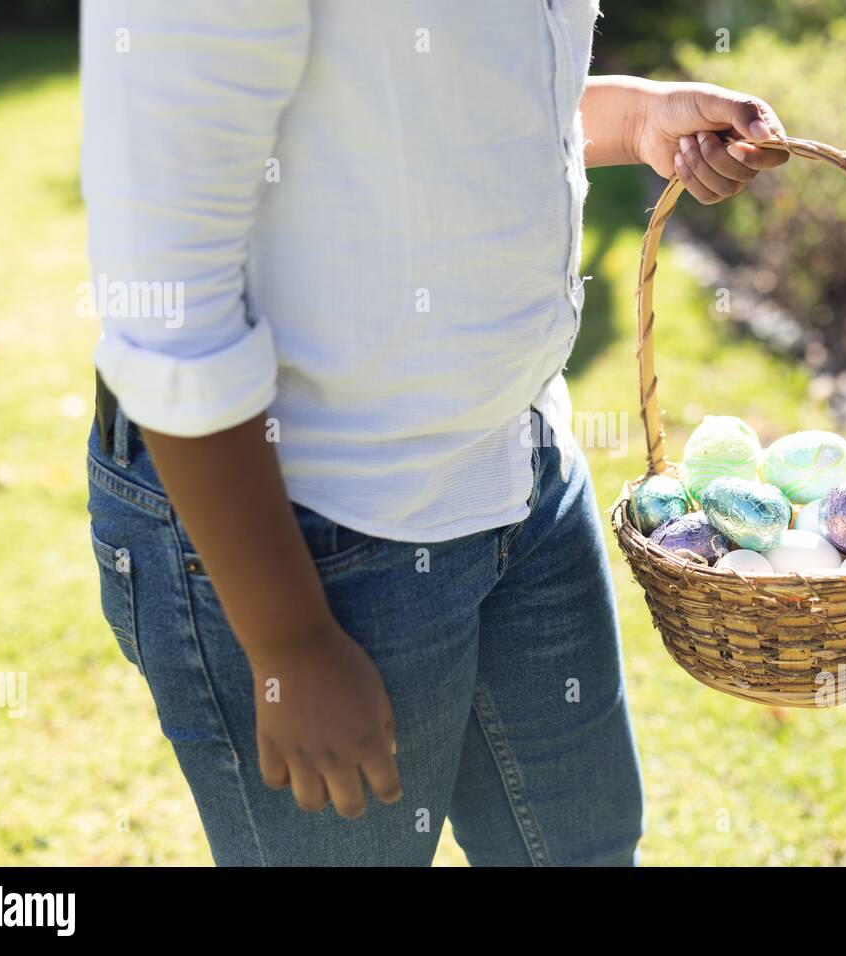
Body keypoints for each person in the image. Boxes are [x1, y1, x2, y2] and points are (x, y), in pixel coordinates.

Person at [82, 0, 788, 866]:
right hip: (315, 531)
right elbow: (168, 306)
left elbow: (448, 108)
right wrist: (289, 641)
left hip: (519, 470)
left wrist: (638, 117)